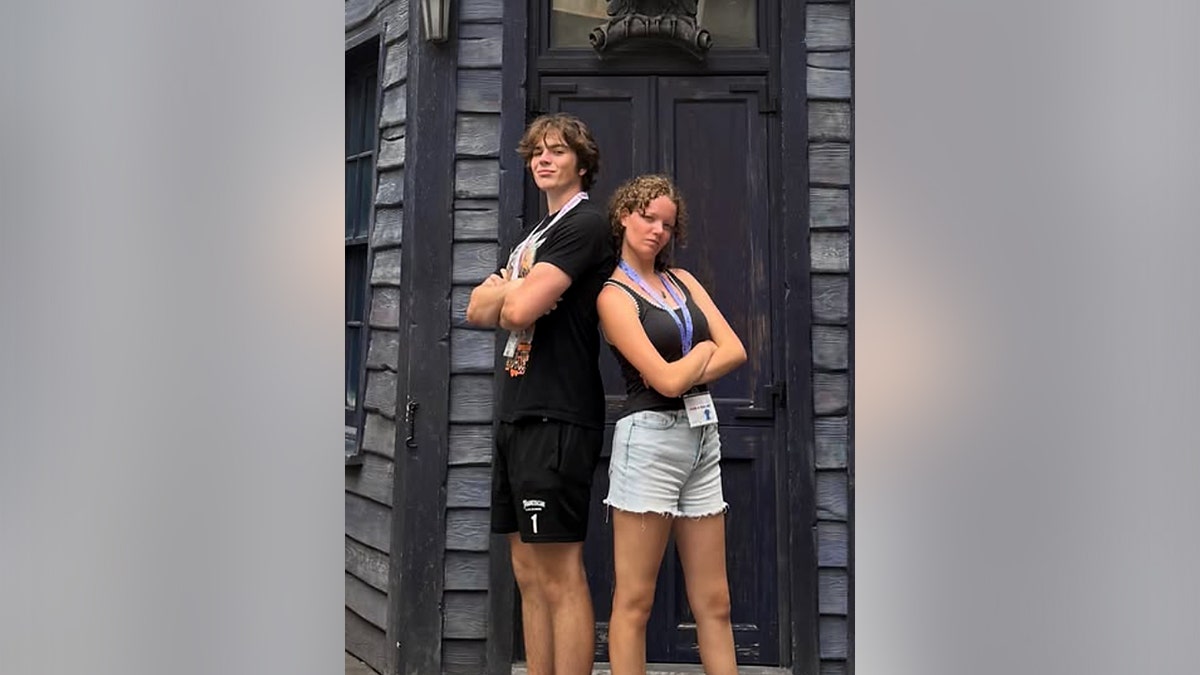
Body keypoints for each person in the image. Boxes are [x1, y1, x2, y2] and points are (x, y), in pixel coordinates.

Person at [465, 113, 614, 675]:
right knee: (527, 573)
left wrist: (510, 290)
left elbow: (516, 309)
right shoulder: (536, 236)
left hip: (558, 411)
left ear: (582, 162)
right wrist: (513, 292)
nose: (544, 159)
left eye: (558, 150)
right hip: (517, 410)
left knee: (559, 573)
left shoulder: (586, 225)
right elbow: (475, 309)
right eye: (537, 152)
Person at [596, 174, 747, 675]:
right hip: (649, 443)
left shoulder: (683, 281)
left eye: (667, 223)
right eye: (648, 218)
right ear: (624, 216)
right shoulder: (613, 295)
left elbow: (737, 350)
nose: (658, 230)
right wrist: (703, 351)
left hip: (702, 437)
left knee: (715, 601)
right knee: (635, 601)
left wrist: (690, 364)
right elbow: (663, 381)